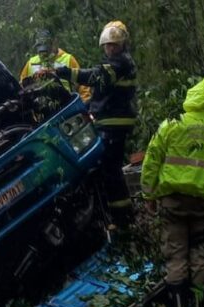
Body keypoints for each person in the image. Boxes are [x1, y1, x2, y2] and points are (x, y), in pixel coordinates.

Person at [140, 77, 204, 307]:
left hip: (172, 202)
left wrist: (148, 195)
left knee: (175, 256)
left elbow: (151, 161)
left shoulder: (172, 124)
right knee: (202, 257)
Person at [55, 21, 137, 227]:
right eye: (107, 45)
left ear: (123, 45)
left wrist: (67, 73)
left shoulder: (120, 63)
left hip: (114, 123)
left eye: (114, 45)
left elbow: (95, 77)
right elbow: (100, 95)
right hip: (107, 121)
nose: (110, 49)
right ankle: (114, 216)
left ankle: (122, 220)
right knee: (107, 169)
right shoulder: (116, 64)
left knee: (109, 169)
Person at [19, 29, 91, 102]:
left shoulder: (68, 59)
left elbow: (82, 85)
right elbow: (21, 87)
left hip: (65, 105)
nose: (44, 53)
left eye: (46, 49)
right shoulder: (31, 63)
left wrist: (84, 103)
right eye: (40, 49)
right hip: (40, 108)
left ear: (54, 42)